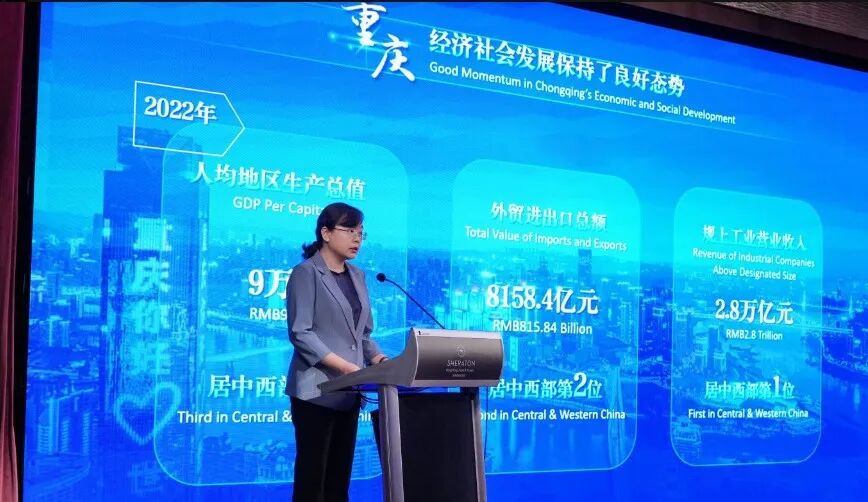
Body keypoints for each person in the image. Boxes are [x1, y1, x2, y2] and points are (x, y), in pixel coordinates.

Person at [284, 202, 388, 502]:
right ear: (326, 233)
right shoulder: (305, 273)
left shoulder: (358, 275)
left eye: (361, 232)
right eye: (350, 230)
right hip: (315, 391)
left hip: (349, 393)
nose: (357, 238)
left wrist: (380, 360)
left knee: (338, 481)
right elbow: (300, 332)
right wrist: (345, 368)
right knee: (312, 481)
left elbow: (362, 334)